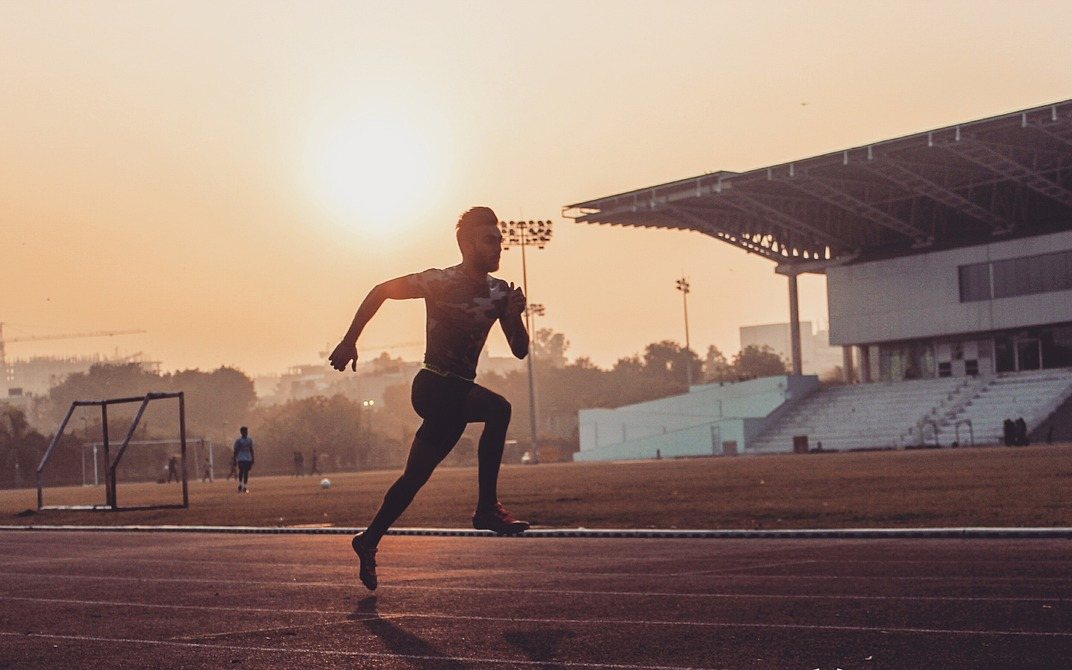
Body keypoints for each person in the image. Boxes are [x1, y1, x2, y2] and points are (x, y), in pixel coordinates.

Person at [329, 206, 531, 591]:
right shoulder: (439, 281)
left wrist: (514, 315)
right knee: (499, 408)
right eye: (490, 240)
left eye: (500, 239)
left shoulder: (501, 292)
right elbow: (380, 291)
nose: (499, 246)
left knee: (413, 478)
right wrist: (350, 339)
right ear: (467, 244)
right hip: (433, 385)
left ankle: (368, 539)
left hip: (456, 398)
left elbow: (519, 351)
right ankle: (486, 507)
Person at [233, 426, 255, 493]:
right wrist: (234, 458)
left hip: (248, 458)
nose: (246, 433)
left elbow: (251, 449)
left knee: (246, 472)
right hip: (241, 457)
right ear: (241, 432)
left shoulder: (249, 440)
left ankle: (245, 486)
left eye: (246, 431)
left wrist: (253, 457)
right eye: (244, 432)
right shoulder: (238, 440)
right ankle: (240, 484)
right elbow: (236, 450)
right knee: (241, 471)